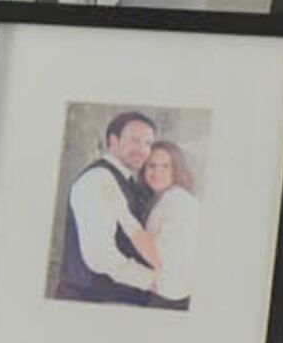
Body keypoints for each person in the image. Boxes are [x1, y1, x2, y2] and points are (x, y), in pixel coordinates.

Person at [52, 110, 162, 305]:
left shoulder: (128, 181)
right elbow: (100, 257)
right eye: (135, 141)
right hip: (89, 302)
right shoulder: (97, 180)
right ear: (113, 141)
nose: (143, 150)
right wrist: (153, 281)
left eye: (148, 143)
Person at [121, 138, 200, 306]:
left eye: (166, 166)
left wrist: (121, 214)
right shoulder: (163, 198)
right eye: (151, 166)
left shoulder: (179, 202)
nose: (157, 173)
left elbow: (160, 257)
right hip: (165, 291)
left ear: (177, 169)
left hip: (171, 296)